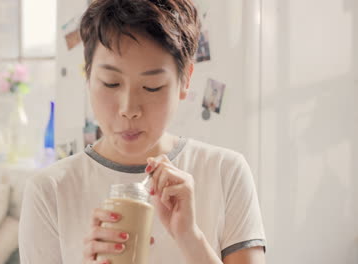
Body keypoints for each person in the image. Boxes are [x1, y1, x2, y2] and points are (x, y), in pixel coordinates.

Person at [19, 0, 266, 263]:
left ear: (185, 81)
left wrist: (190, 237)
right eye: (111, 83)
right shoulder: (50, 191)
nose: (128, 109)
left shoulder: (225, 171)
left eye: (152, 87)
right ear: (88, 76)